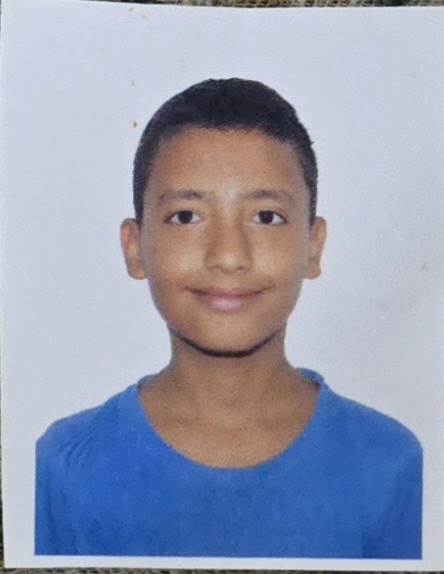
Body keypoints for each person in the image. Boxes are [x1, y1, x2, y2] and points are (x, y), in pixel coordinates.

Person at [35, 78, 422, 558]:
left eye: (266, 217)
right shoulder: (67, 467)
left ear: (313, 246)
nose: (229, 256)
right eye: (186, 216)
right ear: (135, 249)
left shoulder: (391, 465)